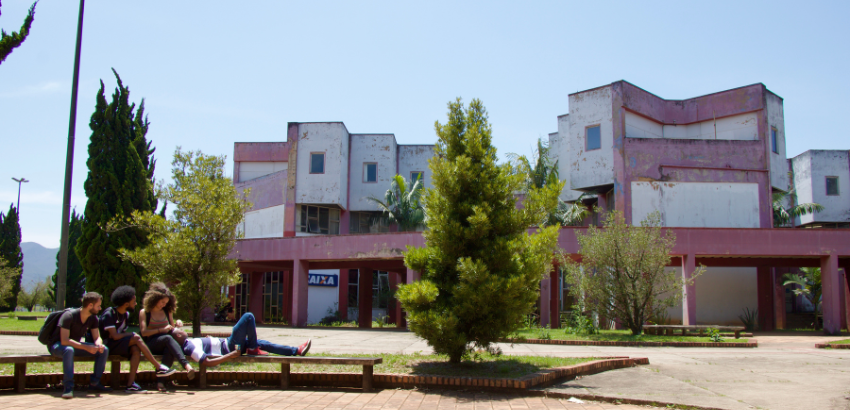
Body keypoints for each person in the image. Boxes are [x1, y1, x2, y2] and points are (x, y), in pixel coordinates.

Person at [100, 286, 177, 392]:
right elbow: (114, 336)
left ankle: (130, 384)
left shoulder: (125, 315)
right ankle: (159, 367)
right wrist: (131, 334)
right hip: (106, 346)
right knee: (136, 338)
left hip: (118, 344)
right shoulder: (109, 314)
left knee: (135, 349)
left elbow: (120, 335)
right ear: (126, 304)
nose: (136, 304)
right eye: (134, 302)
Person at [172, 312, 311, 366]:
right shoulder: (188, 347)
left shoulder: (189, 342)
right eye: (181, 331)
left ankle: (296, 350)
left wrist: (210, 339)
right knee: (248, 317)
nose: (183, 330)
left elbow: (208, 348)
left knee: (264, 344)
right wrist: (230, 355)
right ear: (178, 336)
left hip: (230, 345)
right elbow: (207, 362)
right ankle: (252, 349)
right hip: (230, 347)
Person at [48, 292, 113, 399]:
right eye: (98, 306)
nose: (100, 308)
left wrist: (98, 344)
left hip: (74, 346)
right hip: (57, 346)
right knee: (68, 350)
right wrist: (86, 347)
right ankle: (68, 387)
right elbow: (64, 341)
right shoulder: (69, 316)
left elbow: (97, 337)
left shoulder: (93, 318)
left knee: (104, 350)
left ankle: (94, 383)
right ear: (90, 305)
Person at [138, 282, 194, 391]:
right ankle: (186, 365)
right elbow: (144, 332)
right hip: (150, 343)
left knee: (169, 349)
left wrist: (177, 324)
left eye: (166, 303)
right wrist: (161, 330)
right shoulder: (144, 312)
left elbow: (171, 328)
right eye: (162, 302)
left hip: (165, 341)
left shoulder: (167, 311)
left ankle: (161, 383)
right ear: (154, 299)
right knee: (168, 339)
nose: (163, 305)